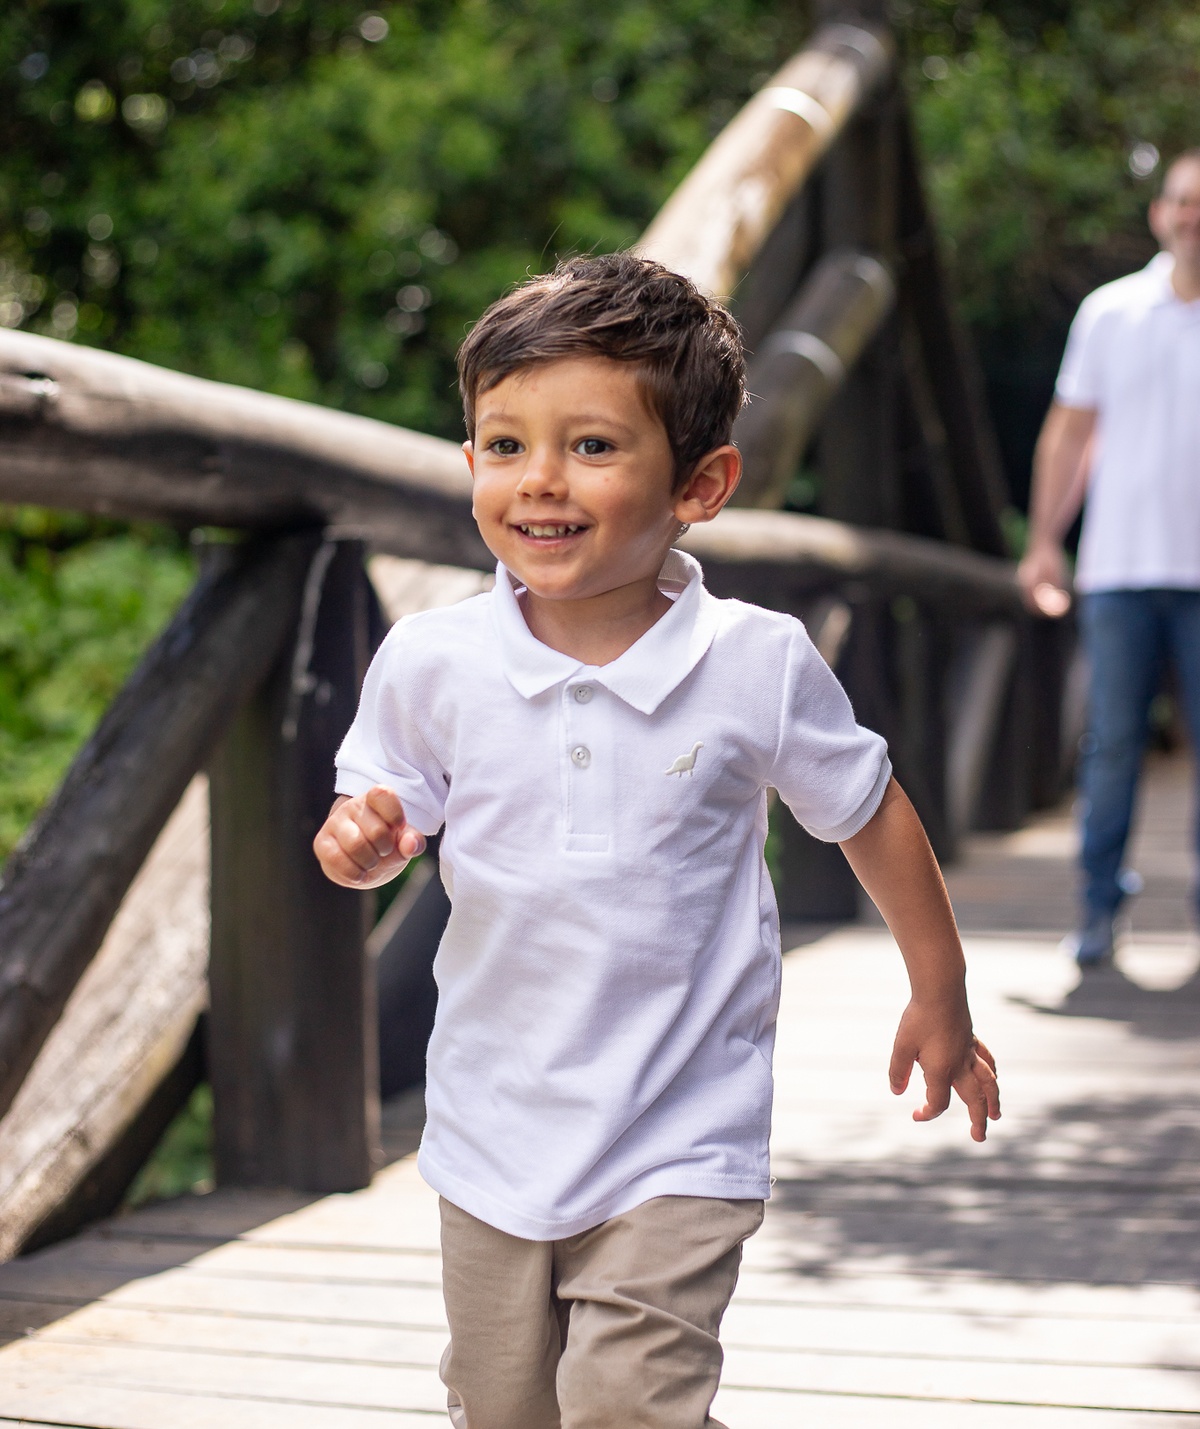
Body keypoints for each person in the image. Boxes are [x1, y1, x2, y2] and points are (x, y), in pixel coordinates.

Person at [314, 253, 1000, 1429]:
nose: (540, 479)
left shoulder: (754, 663)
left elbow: (868, 810)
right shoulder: (434, 660)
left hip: (681, 1128)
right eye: (504, 444)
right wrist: (363, 842)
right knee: (503, 1407)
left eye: (592, 445)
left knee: (630, 1402)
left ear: (703, 483)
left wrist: (940, 991)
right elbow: (378, 816)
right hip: (492, 1124)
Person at [1019, 152, 1200, 966]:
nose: (1193, 218)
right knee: (1113, 745)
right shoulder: (1109, 312)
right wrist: (1043, 543)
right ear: (1161, 213)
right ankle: (1097, 908)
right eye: (1184, 202)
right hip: (1119, 570)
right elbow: (1069, 435)